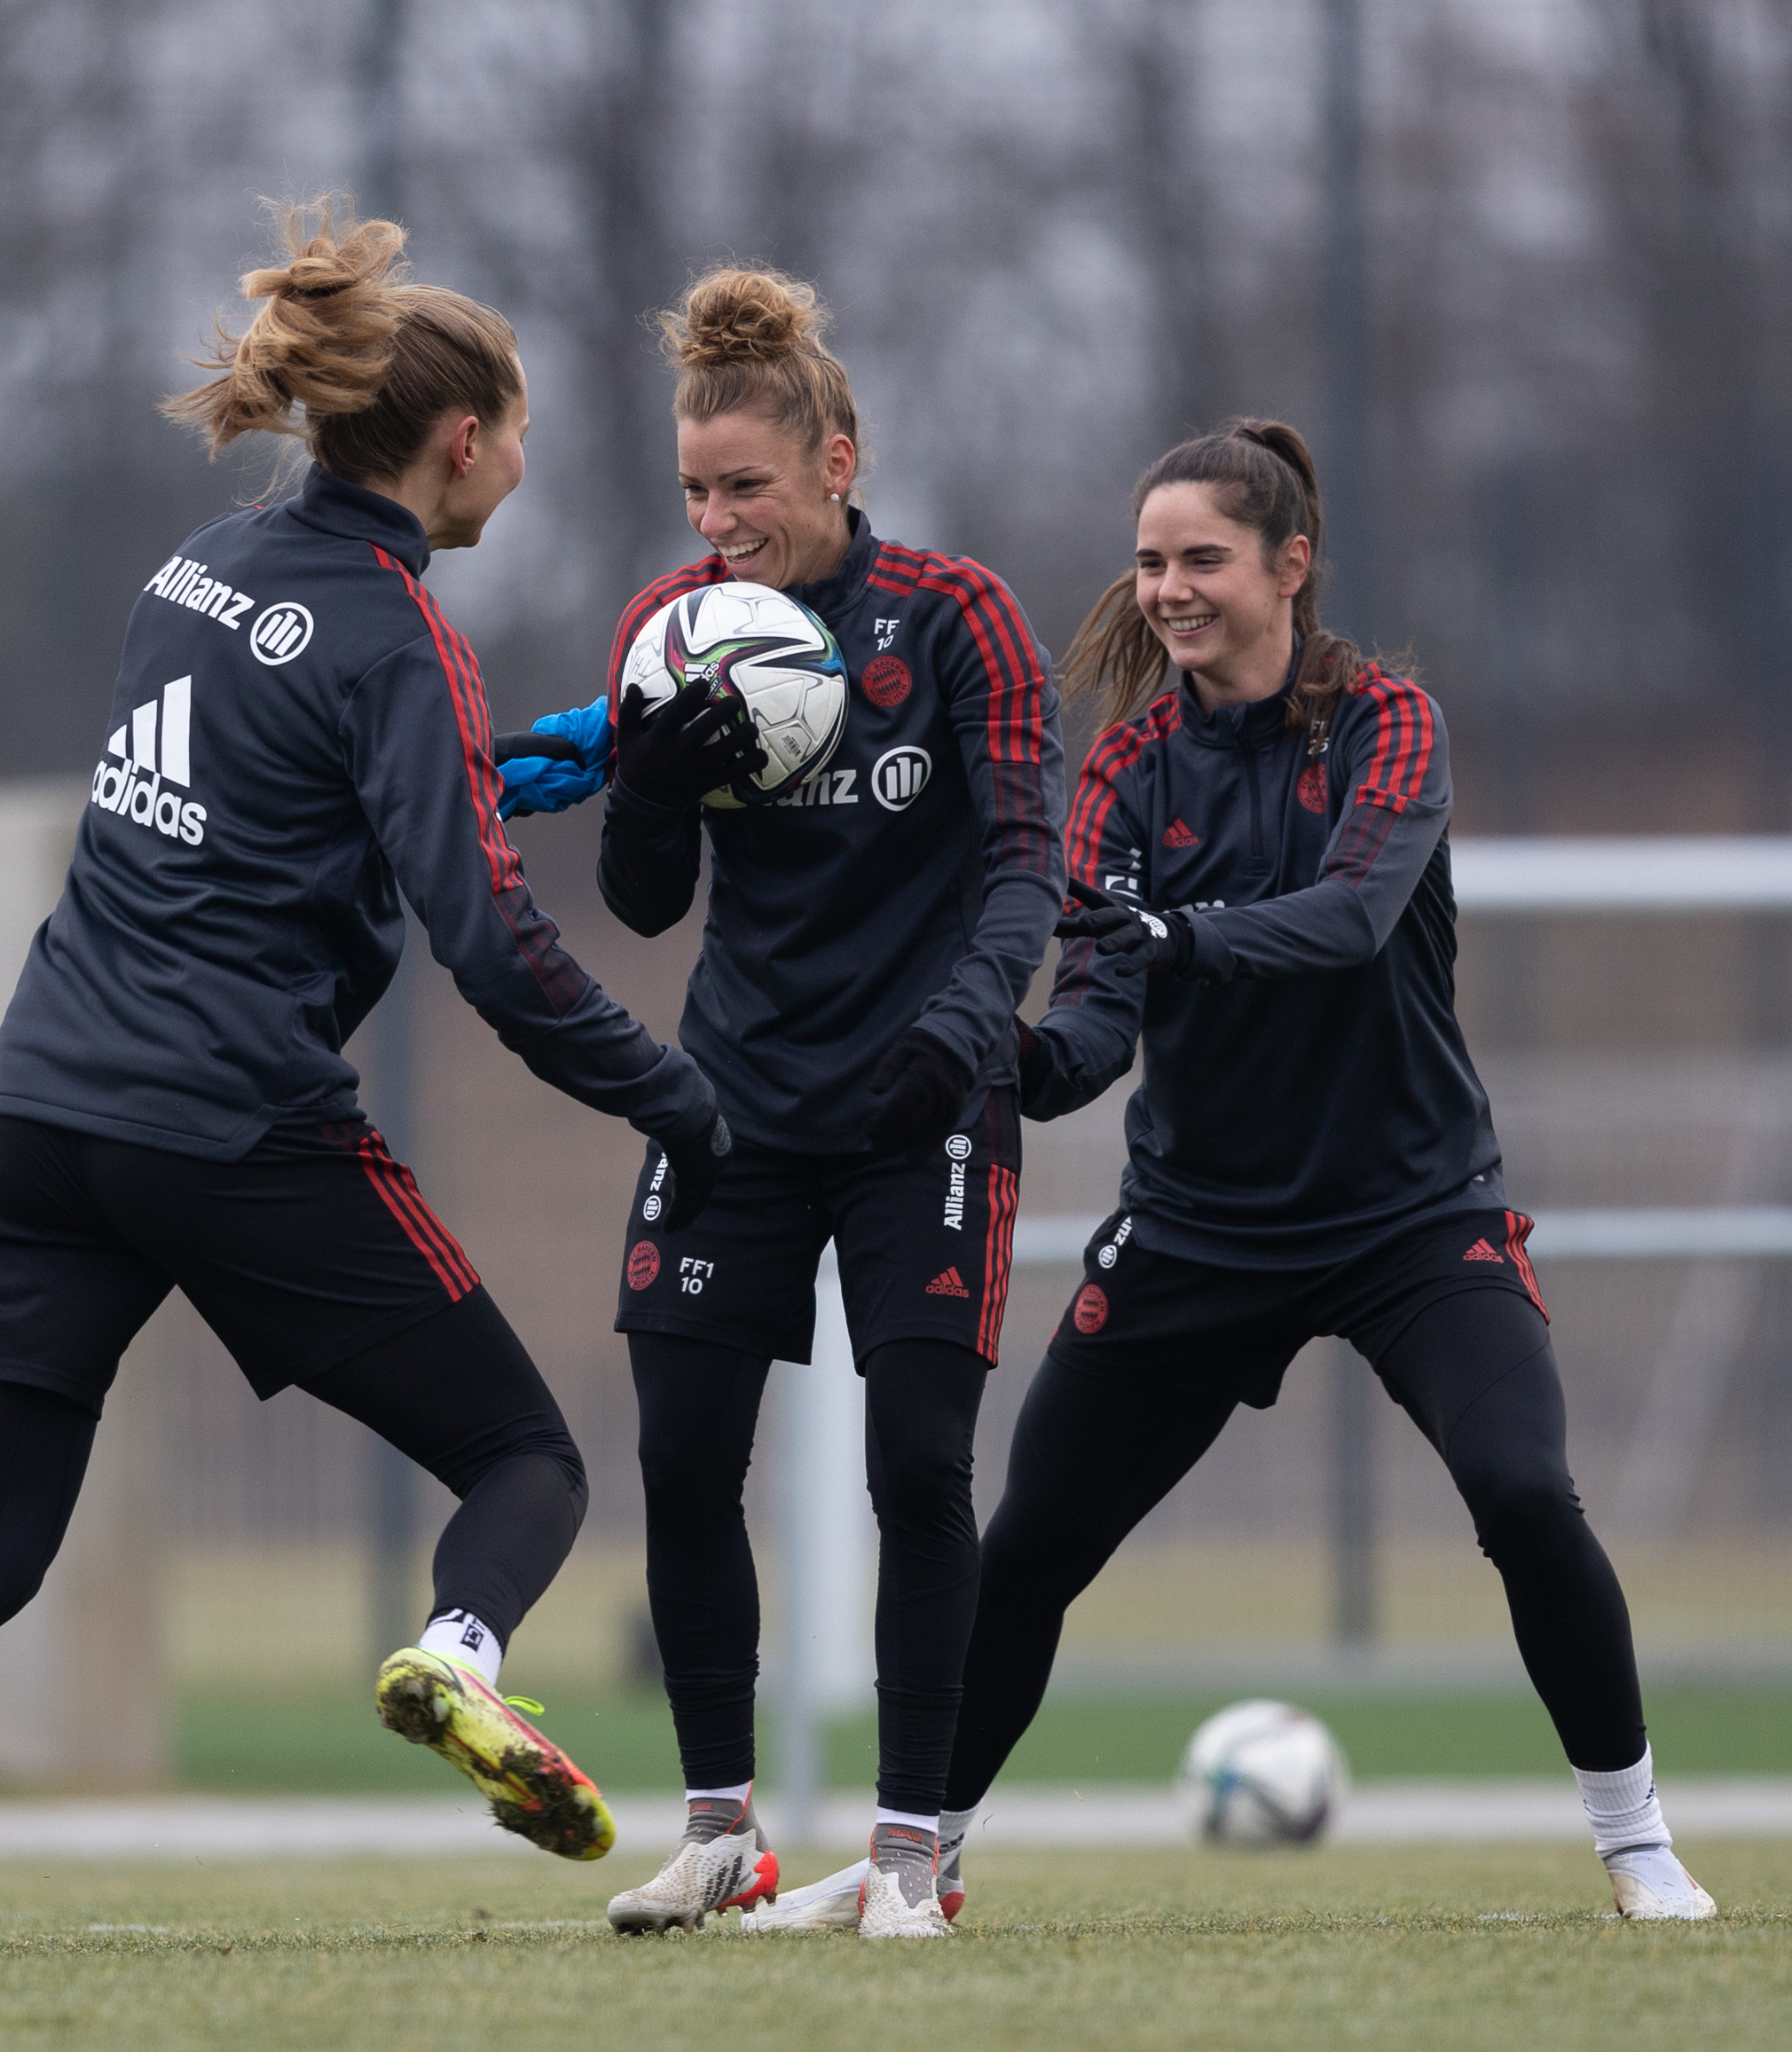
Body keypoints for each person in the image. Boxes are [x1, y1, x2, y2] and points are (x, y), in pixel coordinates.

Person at [0, 201, 732, 1962]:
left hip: (43, 1116)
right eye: (523, 437)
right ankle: (460, 1654)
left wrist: (538, 759)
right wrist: (673, 1095)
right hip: (228, 1121)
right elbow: (489, 942)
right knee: (523, 1456)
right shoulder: (401, 634)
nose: (522, 470)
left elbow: (300, 790)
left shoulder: (200, 565)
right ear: (463, 441)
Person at [764, 419, 1715, 1931]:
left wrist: (1176, 935)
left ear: (1290, 562)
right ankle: (917, 1860)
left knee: (1527, 1493)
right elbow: (1093, 1013)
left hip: (1413, 1217)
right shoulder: (1132, 766)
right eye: (1148, 561)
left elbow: (1344, 921)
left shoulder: (1390, 724)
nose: (1167, 589)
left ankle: (1638, 1846)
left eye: (1200, 557)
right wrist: (988, 1065)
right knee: (1025, 1552)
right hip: (1197, 1233)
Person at [566, 267, 1064, 1939]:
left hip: (920, 1098)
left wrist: (958, 1035)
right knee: (680, 1457)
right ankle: (720, 1832)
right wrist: (643, 771)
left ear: (835, 460)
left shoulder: (956, 616)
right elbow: (642, 902)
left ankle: (911, 1848)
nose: (717, 522)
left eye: (747, 488)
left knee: (917, 1467)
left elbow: (1020, 870)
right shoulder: (672, 626)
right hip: (732, 1105)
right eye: (695, 491)